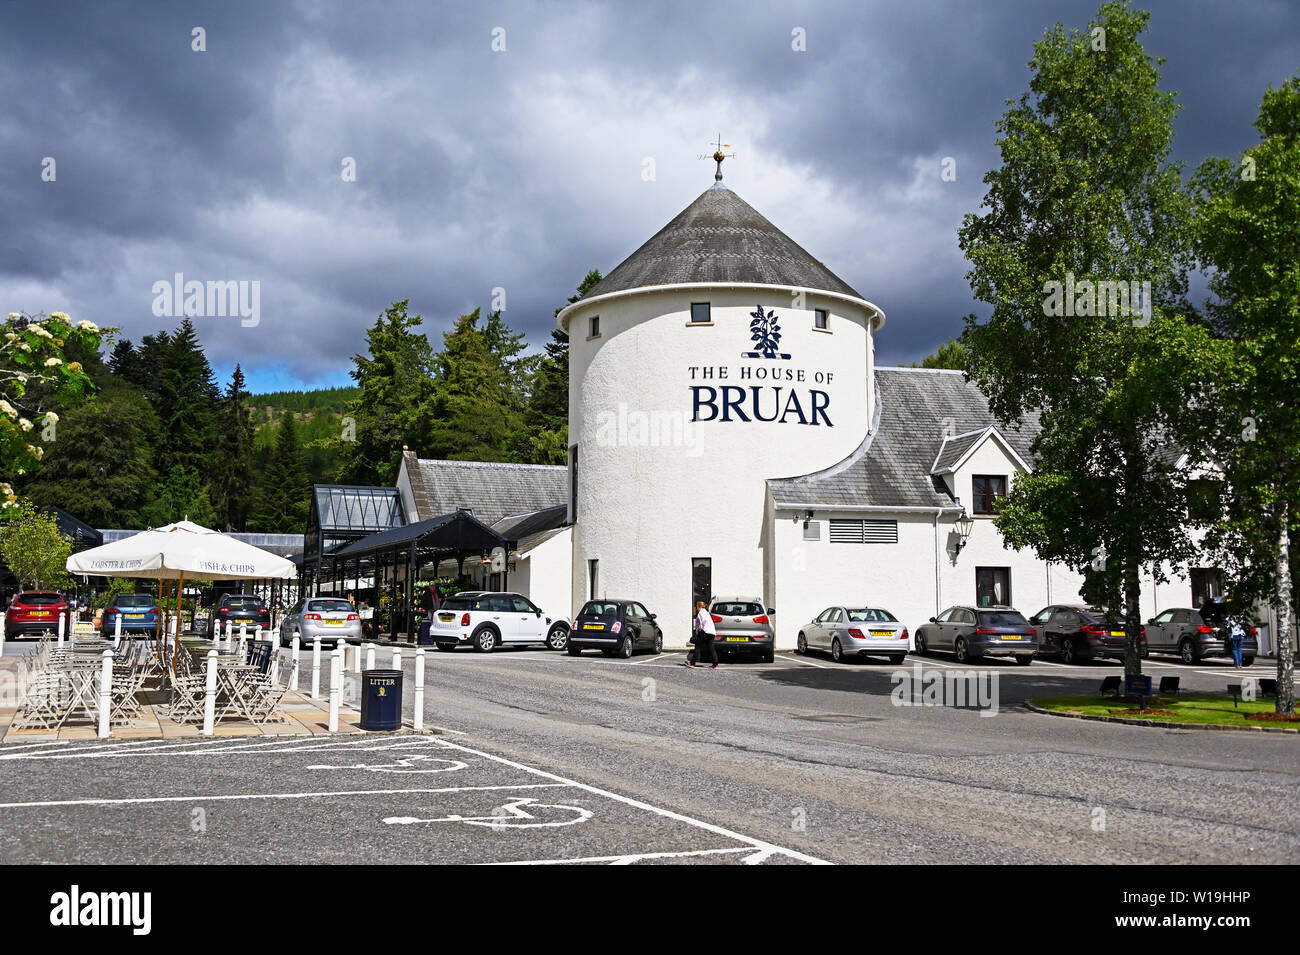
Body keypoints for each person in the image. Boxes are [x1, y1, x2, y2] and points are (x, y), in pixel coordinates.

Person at [690, 600, 718, 669]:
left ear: (699, 607)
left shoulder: (700, 613)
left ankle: (692, 664)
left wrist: (700, 628)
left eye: (697, 606)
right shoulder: (706, 612)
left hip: (705, 631)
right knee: (711, 648)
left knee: (697, 646)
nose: (696, 608)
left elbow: (702, 622)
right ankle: (715, 664)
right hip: (712, 633)